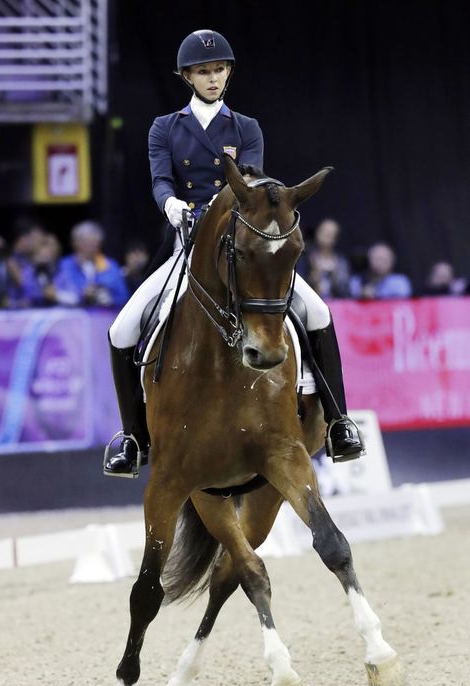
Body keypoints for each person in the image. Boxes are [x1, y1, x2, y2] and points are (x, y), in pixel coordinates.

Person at [104, 29, 364, 477]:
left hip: (243, 246)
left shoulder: (245, 127)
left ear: (228, 73)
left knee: (317, 313)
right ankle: (132, 437)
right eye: (203, 71)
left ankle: (340, 422)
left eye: (219, 70)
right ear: (187, 76)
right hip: (189, 247)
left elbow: (254, 182)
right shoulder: (165, 127)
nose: (212, 78)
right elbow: (161, 180)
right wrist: (172, 206)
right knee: (122, 329)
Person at [53, 221, 129, 307]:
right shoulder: (65, 265)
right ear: (75, 243)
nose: (90, 247)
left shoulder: (110, 265)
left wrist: (109, 298)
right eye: (86, 242)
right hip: (72, 316)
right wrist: (81, 294)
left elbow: (123, 296)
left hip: (105, 315)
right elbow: (55, 292)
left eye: (94, 242)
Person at [297, 218, 350, 298]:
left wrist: (334, 276)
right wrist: (312, 279)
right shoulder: (306, 258)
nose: (324, 236)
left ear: (335, 238)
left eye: (329, 234)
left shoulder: (340, 262)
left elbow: (345, 291)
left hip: (336, 306)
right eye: (322, 231)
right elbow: (297, 285)